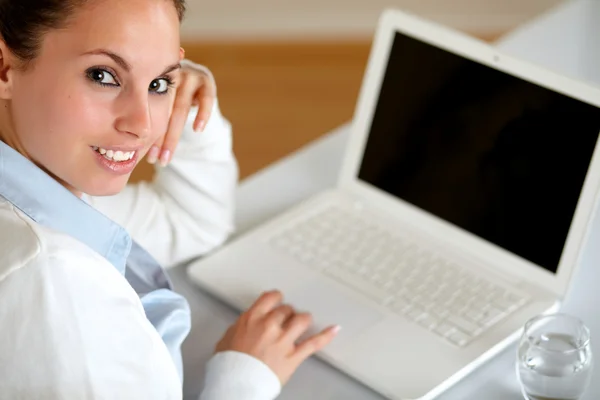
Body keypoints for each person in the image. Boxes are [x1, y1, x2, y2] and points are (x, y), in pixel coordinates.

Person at [0, 0, 339, 399]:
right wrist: (245, 378)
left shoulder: (41, 187)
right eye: (103, 75)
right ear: (5, 68)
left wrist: (192, 112)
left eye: (159, 83)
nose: (143, 124)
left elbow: (190, 223)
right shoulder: (55, 284)